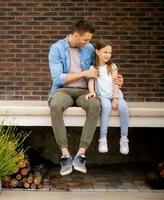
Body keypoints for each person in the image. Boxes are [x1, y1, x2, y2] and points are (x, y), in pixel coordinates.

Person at [48, 20, 123, 176]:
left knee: (95, 105)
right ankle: (65, 155)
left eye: (89, 40)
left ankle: (81, 155)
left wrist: (116, 79)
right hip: (64, 90)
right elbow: (57, 79)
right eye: (86, 39)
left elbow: (103, 64)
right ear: (76, 35)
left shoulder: (88, 49)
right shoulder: (56, 49)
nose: (88, 43)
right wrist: (84, 73)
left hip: (85, 91)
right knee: (55, 105)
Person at [86, 40, 129, 155]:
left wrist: (115, 98)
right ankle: (103, 138)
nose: (108, 55)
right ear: (97, 52)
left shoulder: (113, 67)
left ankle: (124, 139)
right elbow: (91, 83)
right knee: (105, 106)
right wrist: (92, 92)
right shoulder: (93, 68)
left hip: (116, 95)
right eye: (105, 52)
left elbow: (116, 83)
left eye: (110, 52)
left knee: (124, 108)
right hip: (103, 97)